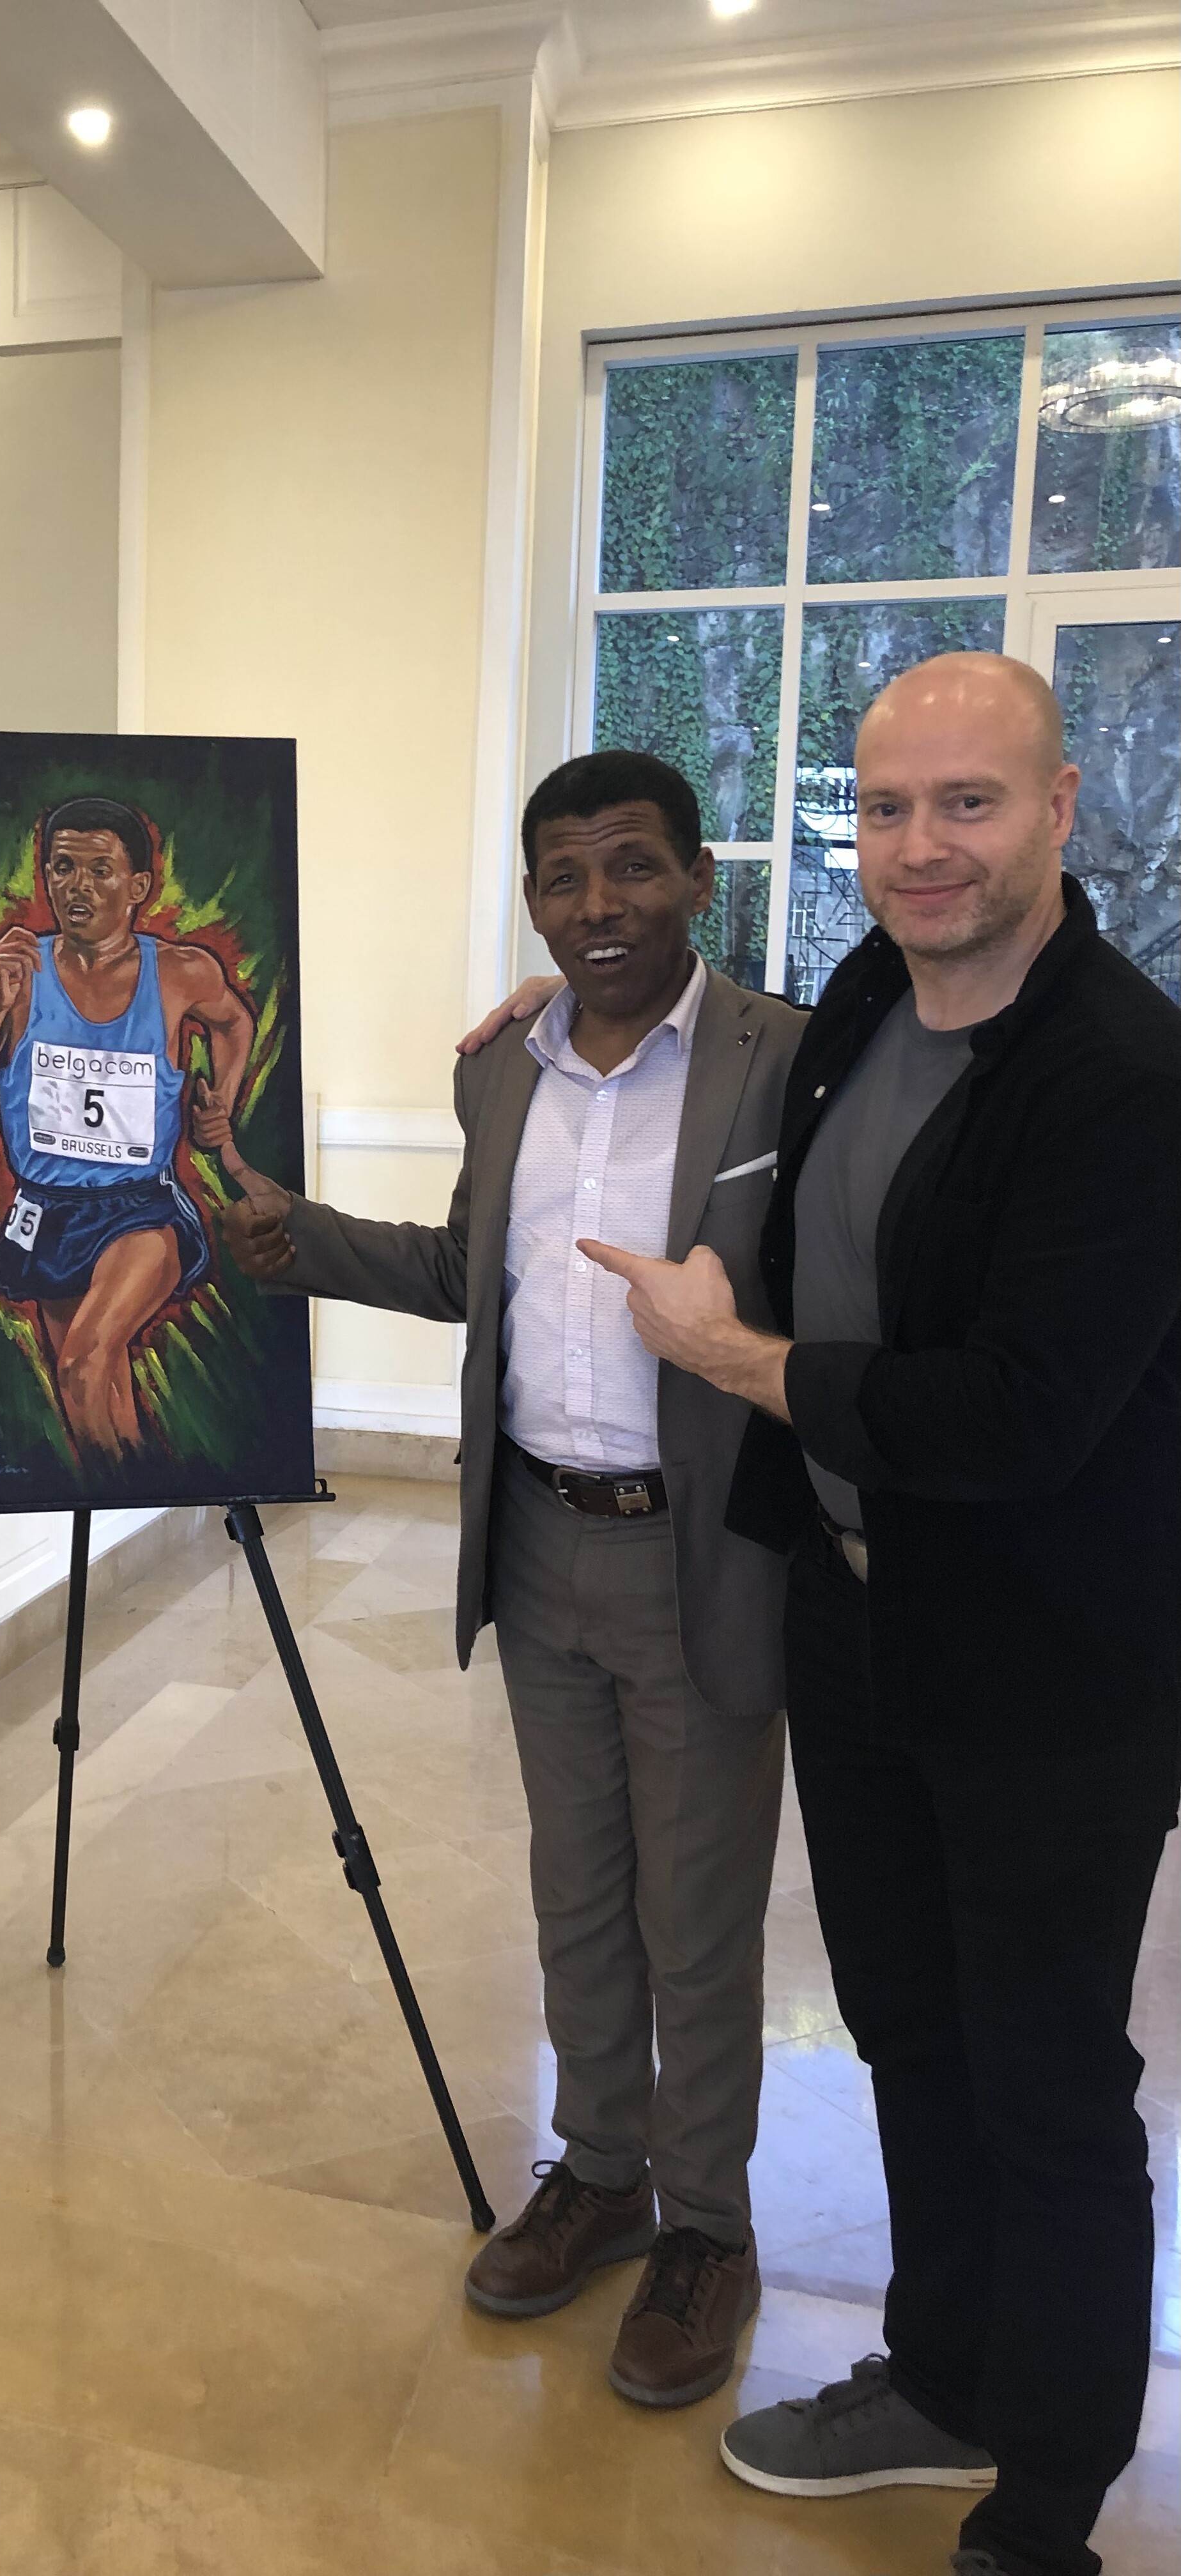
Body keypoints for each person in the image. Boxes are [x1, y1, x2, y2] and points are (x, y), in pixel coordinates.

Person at [566, 657, 1180, 2576]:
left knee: (1044, 2086)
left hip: (1049, 1672)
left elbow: (1011, 1415)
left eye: (965, 804)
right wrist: (550, 1019)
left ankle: (1045, 2507)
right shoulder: (856, 1001)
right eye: (885, 807)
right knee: (905, 2030)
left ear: (1056, 811)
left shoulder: (1123, 1079)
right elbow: (722, 1065)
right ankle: (939, 2377)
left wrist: (732, 1362)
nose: (919, 848)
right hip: (854, 1623)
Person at [219, 749, 806, 2408]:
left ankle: (706, 2229)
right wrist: (296, 1237)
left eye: (631, 866)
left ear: (695, 879)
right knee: (577, 1893)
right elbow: (461, 1268)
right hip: (536, 1539)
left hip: (697, 1555)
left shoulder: (782, 1060)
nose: (597, 904)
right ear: (532, 902)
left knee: (695, 1919)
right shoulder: (503, 1073)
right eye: (562, 877)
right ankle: (601, 2174)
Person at [0, 794, 254, 1457]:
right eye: (62, 867)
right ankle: (134, 1482)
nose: (78, 886)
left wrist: (222, 1101)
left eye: (100, 870)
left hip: (141, 1210)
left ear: (138, 887)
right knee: (95, 1400)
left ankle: (127, 1484)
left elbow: (234, 1021)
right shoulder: (14, 974)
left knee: (83, 1363)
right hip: (48, 1213)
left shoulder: (180, 972)